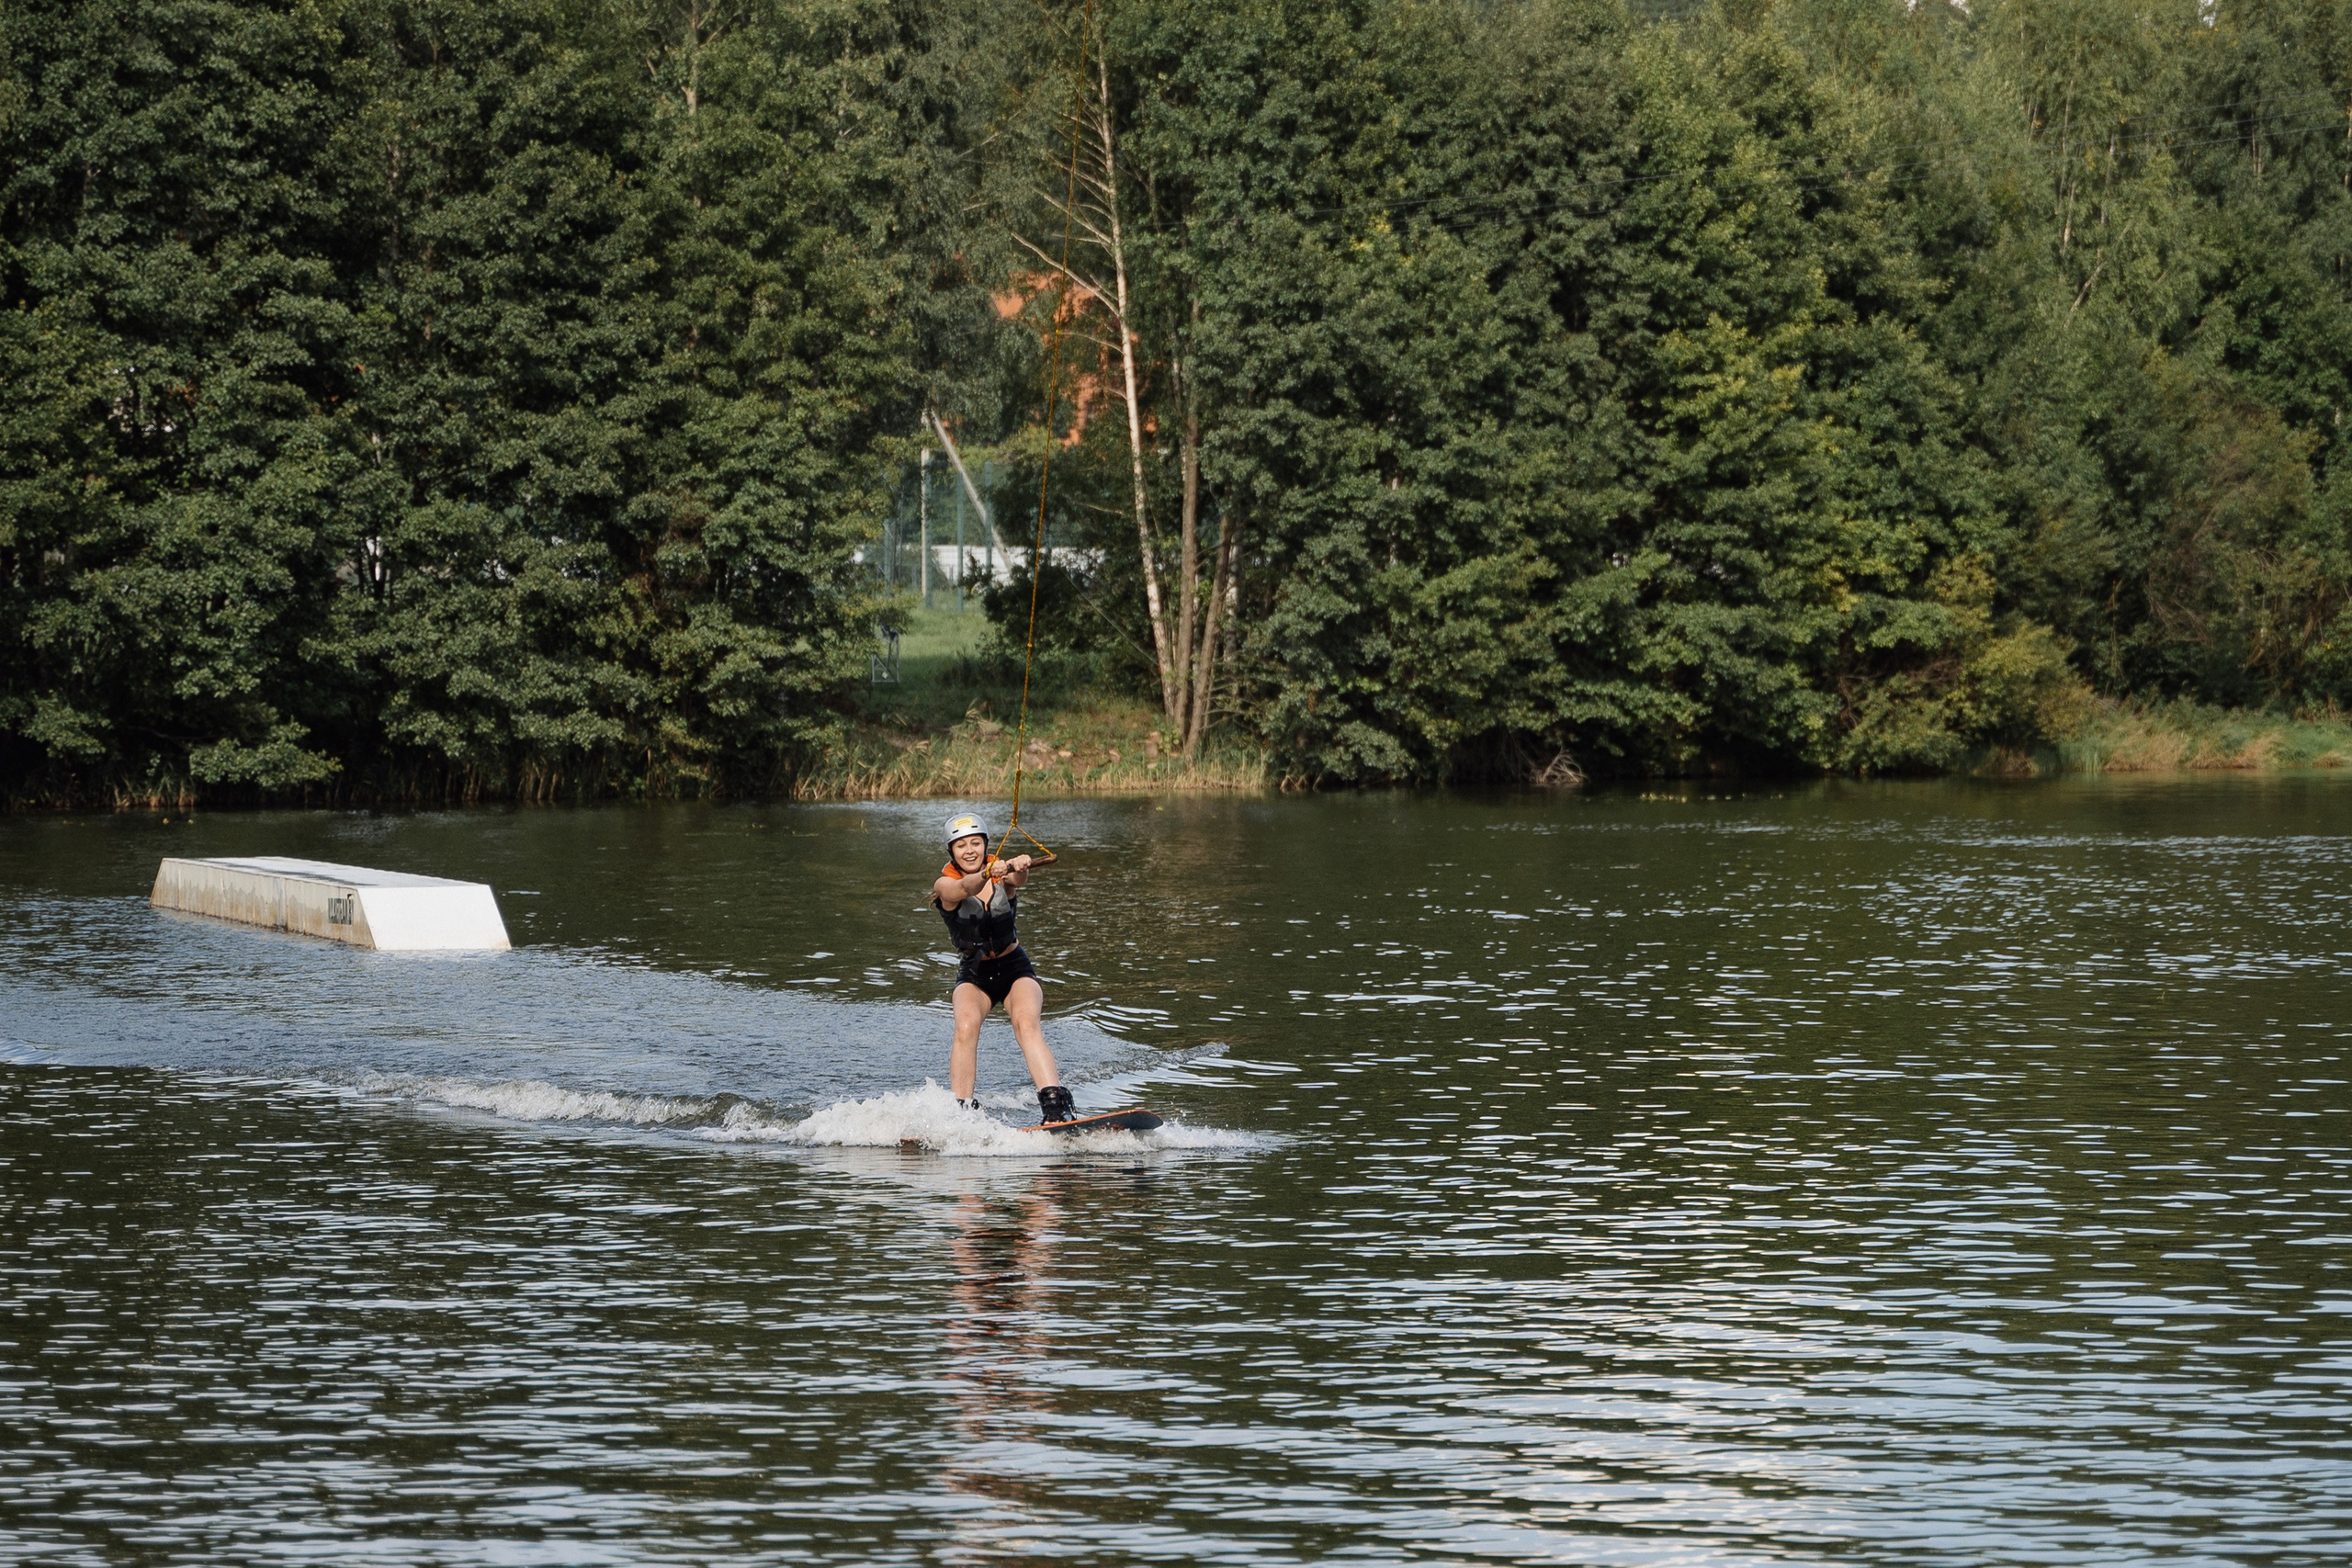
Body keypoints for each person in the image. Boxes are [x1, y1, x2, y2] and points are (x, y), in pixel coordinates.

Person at [932, 813, 1077, 1125]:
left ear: (986, 845)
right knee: (966, 1027)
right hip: (974, 973)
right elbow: (964, 889)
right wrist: (988, 872)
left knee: (1026, 1024)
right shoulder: (945, 884)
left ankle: (1055, 1108)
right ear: (951, 852)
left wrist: (1020, 867)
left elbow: (1016, 882)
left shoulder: (1003, 873)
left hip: (1014, 967)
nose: (969, 850)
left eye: (976, 843)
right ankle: (961, 1114)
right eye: (961, 846)